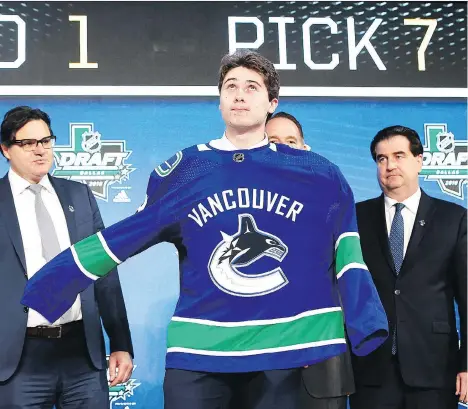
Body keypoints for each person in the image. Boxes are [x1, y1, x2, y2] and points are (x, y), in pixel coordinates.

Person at [21, 51, 388, 409]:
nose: (239, 94)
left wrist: (365, 322)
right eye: (230, 86)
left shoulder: (317, 173)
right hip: (202, 352)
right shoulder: (186, 170)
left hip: (288, 348)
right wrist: (52, 283)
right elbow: (125, 236)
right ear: (219, 101)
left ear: (272, 102)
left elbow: (348, 252)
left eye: (251, 87)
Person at [0, 106, 134, 408]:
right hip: (18, 359)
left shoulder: (79, 196)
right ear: (6, 149)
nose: (40, 150)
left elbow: (105, 274)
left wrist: (121, 343)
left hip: (81, 356)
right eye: (28, 143)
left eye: (46, 141)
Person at [350, 125, 467, 409]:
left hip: (434, 367)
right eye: (381, 158)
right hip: (370, 367)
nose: (390, 165)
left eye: (399, 155)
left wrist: (467, 364)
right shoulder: (355, 218)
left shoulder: (454, 218)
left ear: (419, 160)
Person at [266, 111, 355, 409]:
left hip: (320, 361)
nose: (284, 148)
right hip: (258, 364)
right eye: (273, 141)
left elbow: (348, 278)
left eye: (291, 141)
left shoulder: (334, 200)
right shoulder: (233, 204)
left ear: (306, 149)